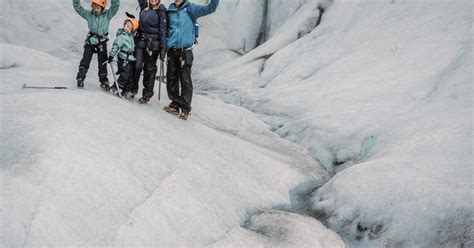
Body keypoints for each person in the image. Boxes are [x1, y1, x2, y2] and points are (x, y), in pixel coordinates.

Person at [164, 0, 219, 120]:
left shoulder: (191, 9)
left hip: (185, 51)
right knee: (171, 77)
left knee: (185, 80)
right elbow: (166, 30)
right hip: (172, 50)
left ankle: (185, 107)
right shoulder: (170, 11)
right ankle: (175, 103)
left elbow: (210, 8)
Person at [73, 0, 120, 89]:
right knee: (86, 59)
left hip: (102, 41)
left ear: (102, 8)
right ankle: (80, 78)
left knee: (102, 61)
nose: (95, 10)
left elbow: (115, 6)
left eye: (97, 8)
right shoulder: (89, 15)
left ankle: (104, 81)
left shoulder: (107, 15)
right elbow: (78, 8)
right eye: (94, 7)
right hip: (91, 40)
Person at [132, 0, 168, 104]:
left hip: (153, 44)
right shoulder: (144, 7)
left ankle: (146, 94)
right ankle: (133, 88)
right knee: (137, 65)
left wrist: (163, 48)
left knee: (149, 69)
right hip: (141, 41)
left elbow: (163, 30)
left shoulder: (161, 11)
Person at [107, 15, 139, 99]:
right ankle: (115, 87)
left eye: (130, 28)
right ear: (124, 25)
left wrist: (134, 20)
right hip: (123, 58)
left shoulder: (131, 36)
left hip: (130, 58)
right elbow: (116, 46)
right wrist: (111, 55)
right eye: (127, 26)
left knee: (131, 75)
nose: (128, 28)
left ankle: (126, 90)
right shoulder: (122, 36)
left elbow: (136, 29)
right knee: (124, 74)